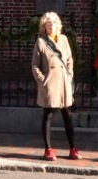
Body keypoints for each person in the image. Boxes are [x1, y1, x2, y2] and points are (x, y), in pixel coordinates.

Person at [33, 11, 79, 160]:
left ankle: (73, 148)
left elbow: (70, 59)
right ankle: (48, 149)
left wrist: (70, 74)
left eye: (53, 23)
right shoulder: (41, 42)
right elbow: (35, 66)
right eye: (48, 24)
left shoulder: (64, 40)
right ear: (44, 27)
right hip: (50, 84)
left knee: (68, 116)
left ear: (58, 25)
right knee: (48, 115)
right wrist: (43, 81)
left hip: (63, 83)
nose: (51, 26)